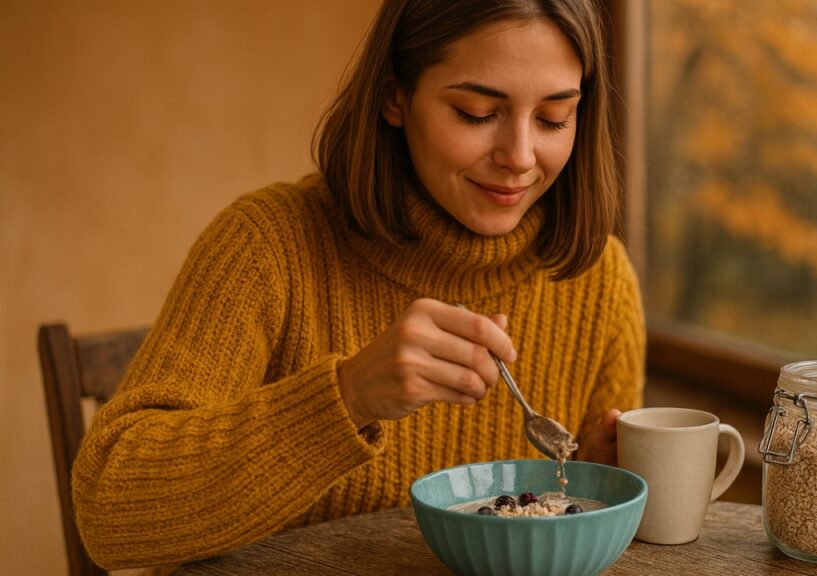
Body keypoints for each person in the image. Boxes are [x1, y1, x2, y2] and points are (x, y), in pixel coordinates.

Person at [72, 0, 645, 570]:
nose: (519, 157)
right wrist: (347, 397)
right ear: (395, 95)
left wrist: (598, 486)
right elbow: (106, 513)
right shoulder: (265, 246)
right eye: (475, 112)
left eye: (552, 118)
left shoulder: (599, 280)